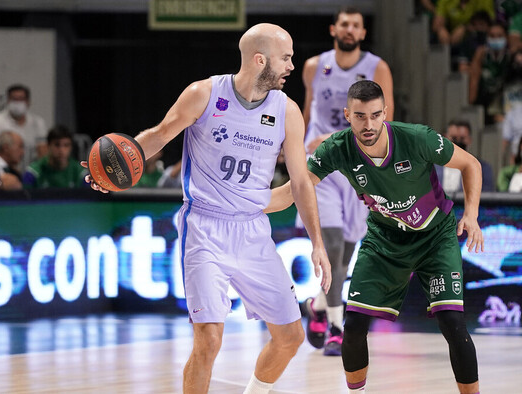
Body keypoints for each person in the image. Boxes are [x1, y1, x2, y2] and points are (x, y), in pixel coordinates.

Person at [83, 23, 331, 394]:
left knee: (291, 337)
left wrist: (318, 243)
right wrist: (115, 169)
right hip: (205, 228)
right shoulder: (204, 93)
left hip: (253, 230)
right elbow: (160, 134)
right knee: (209, 340)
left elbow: (299, 183)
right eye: (286, 57)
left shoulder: (287, 111)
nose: (291, 65)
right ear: (260, 60)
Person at [267, 80, 484, 393]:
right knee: (353, 327)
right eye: (359, 116)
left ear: (386, 113)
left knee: (452, 323)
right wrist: (245, 204)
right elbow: (293, 191)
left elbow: (470, 164)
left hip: (435, 238)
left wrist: (472, 215)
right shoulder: (338, 148)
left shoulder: (417, 138)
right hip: (384, 241)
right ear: (347, 115)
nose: (368, 124)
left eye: (374, 115)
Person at [298, 6, 394, 357]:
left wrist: (341, 138)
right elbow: (308, 113)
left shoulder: (377, 67)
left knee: (348, 252)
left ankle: (318, 306)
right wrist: (294, 147)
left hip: (358, 165)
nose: (349, 29)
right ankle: (338, 328)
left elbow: (387, 119)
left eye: (356, 24)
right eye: (344, 24)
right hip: (321, 164)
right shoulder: (313, 66)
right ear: (333, 29)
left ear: (363, 32)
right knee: (333, 247)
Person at [0, 84, 48, 169]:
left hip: (30, 171)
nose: (17, 103)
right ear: (7, 101)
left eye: (21, 99)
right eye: (14, 99)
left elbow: (43, 153)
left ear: (28, 102)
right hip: (2, 172)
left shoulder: (38, 123)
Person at [437, 119, 495, 195]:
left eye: (462, 139)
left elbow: (487, 198)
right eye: (454, 138)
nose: (457, 143)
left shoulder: (482, 169)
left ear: (469, 140)